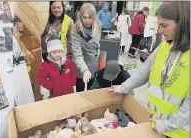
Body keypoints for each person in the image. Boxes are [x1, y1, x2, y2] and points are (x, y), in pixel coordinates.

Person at [109, 2, 190, 138]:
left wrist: (167, 125)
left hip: (177, 132)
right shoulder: (163, 47)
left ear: (181, 23)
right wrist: (122, 88)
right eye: (159, 25)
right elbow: (143, 73)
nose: (160, 31)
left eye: (165, 25)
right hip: (155, 124)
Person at [72, 3, 101, 92]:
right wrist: (85, 70)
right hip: (82, 67)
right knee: (80, 93)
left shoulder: (98, 25)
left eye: (90, 17)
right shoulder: (76, 32)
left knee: (91, 91)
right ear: (80, 17)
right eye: (84, 17)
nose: (87, 21)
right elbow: (77, 55)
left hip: (94, 65)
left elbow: (96, 44)